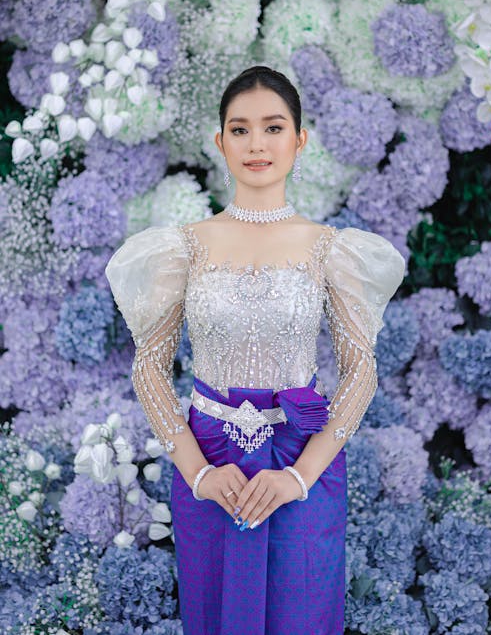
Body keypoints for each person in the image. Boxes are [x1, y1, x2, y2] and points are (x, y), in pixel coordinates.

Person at [104, 65, 406, 635]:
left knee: (300, 612)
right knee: (217, 613)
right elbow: (149, 368)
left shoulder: (330, 249)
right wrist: (197, 474)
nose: (256, 144)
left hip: (301, 458)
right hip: (211, 458)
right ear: (220, 142)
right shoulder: (185, 247)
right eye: (239, 130)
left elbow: (360, 370)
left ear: (299, 140)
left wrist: (299, 476)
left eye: (273, 127)